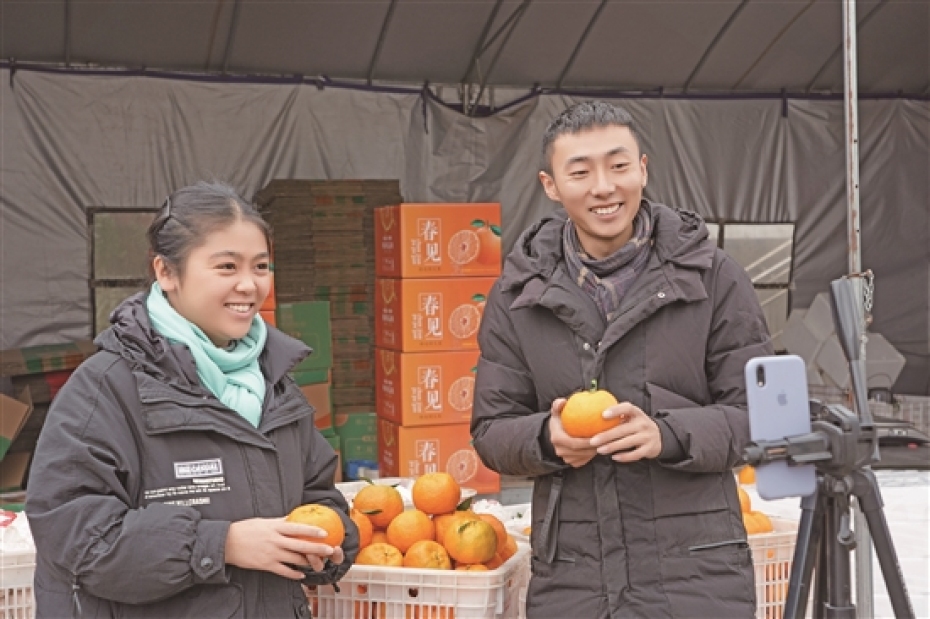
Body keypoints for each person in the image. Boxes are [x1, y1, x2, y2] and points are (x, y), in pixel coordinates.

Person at [470, 101, 774, 618]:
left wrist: (668, 434)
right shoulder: (518, 294)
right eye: (580, 171)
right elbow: (491, 429)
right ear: (551, 185)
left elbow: (761, 417)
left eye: (618, 165)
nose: (604, 187)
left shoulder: (713, 278)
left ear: (643, 169)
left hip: (696, 576)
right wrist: (547, 437)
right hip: (575, 579)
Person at [26, 181, 358, 618]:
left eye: (261, 266)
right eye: (226, 266)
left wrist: (327, 545)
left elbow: (318, 493)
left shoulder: (275, 385)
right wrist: (221, 544)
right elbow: (75, 533)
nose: (249, 285)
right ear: (166, 273)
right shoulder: (106, 388)